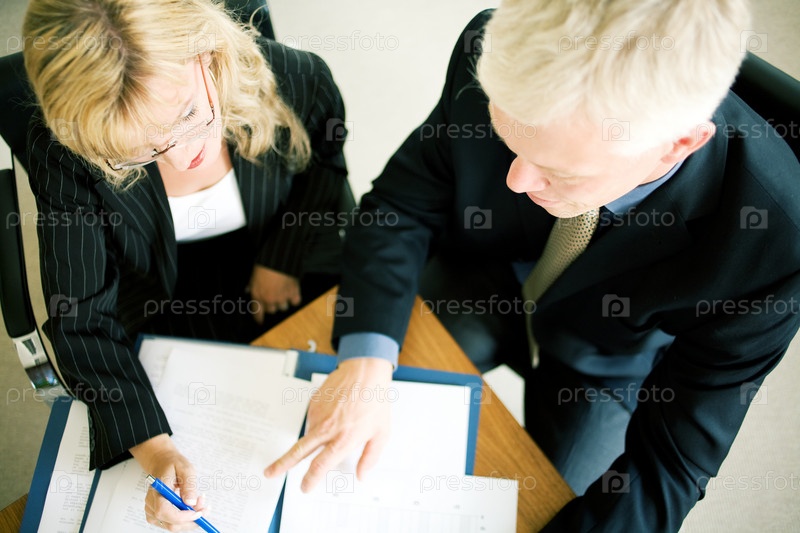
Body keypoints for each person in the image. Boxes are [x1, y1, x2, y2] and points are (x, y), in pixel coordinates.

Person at [265, 0, 800, 531]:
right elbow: (402, 205)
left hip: (607, 359)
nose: (517, 180)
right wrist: (366, 361)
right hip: (484, 277)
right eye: (508, 138)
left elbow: (672, 464)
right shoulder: (493, 48)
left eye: (559, 171)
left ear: (676, 146)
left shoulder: (776, 243)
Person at [23, 0, 347, 528]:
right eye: (139, 151)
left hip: (275, 247)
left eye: (188, 117)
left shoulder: (297, 75)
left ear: (209, 55)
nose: (179, 158)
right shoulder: (63, 148)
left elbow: (325, 170)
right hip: (154, 287)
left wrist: (282, 260)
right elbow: (80, 314)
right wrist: (155, 449)